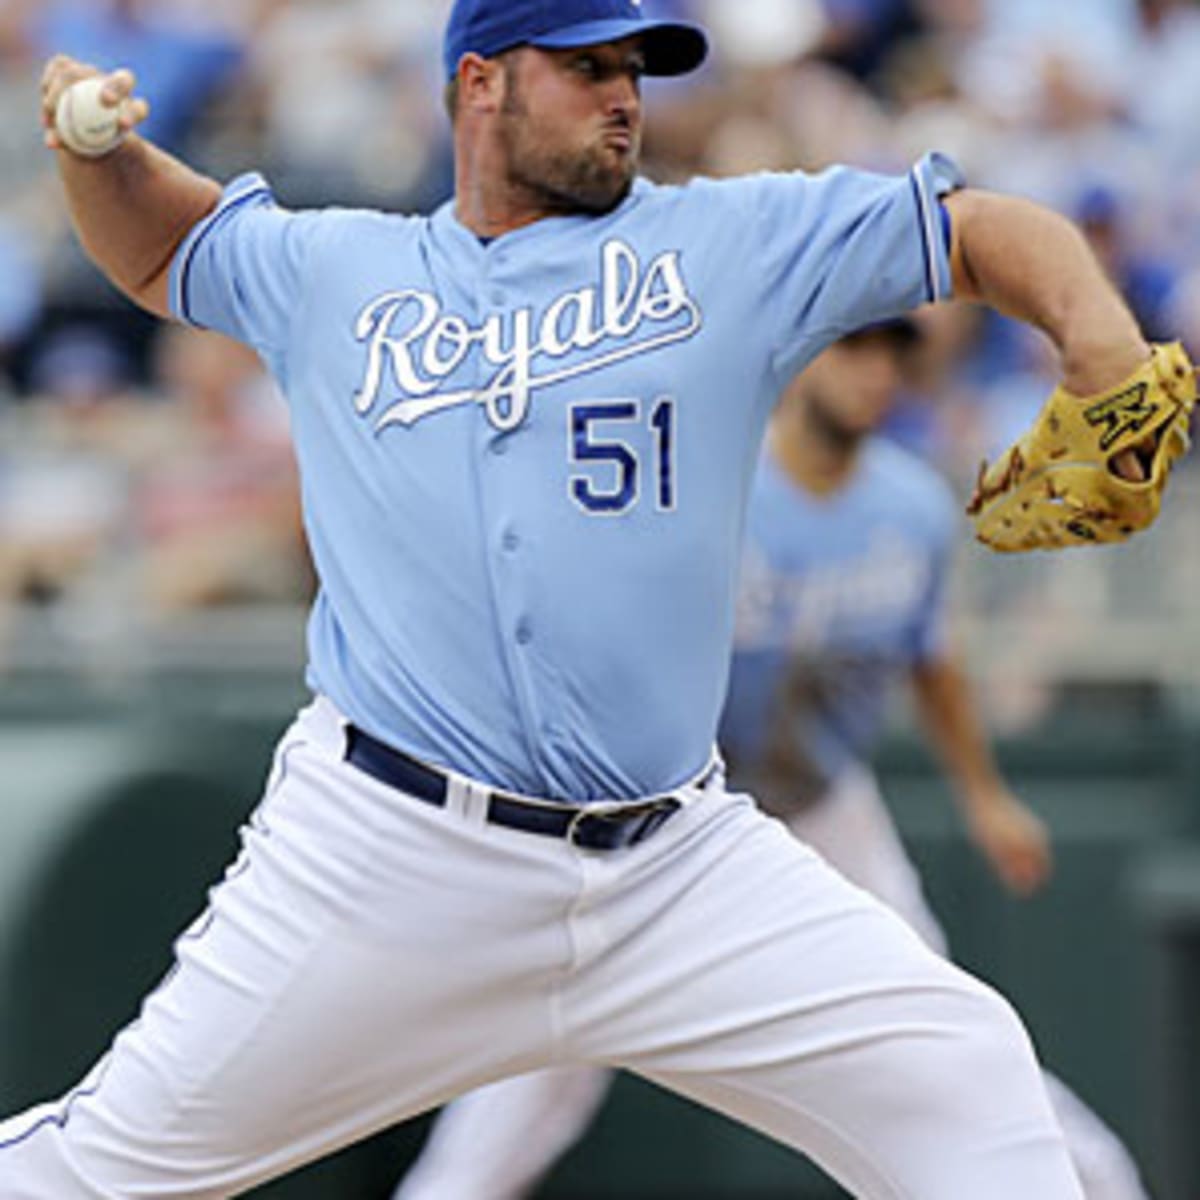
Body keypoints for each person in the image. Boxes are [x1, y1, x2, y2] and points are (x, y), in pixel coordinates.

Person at [0, 0, 1159, 1194]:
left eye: (638, 70)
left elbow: (975, 230)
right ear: (484, 82)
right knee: (102, 1171)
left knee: (968, 1075)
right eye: (588, 66)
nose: (624, 96)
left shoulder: (732, 241)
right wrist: (103, 153)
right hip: (393, 853)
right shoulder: (338, 268)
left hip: (676, 864)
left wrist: (1101, 344)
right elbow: (158, 249)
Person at [390, 321, 1150, 1200]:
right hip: (667, 817)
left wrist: (983, 795)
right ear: (800, 361)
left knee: (938, 1023)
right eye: (852, 348)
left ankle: (1093, 1184)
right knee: (544, 1062)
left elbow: (931, 659)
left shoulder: (911, 507)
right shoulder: (709, 487)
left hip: (822, 809)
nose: (873, 373)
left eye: (889, 355)